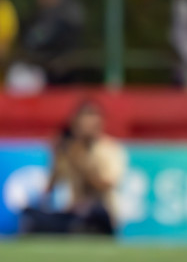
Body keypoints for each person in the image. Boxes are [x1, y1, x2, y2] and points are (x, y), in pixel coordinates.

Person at [20, 101, 126, 236]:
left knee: (94, 213)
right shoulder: (69, 149)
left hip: (101, 213)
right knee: (33, 215)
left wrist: (81, 161)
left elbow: (106, 184)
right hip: (75, 213)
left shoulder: (110, 149)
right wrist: (58, 153)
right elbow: (52, 184)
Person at [10, 0, 85, 90]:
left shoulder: (67, 21)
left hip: (60, 81)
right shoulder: (38, 19)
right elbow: (31, 42)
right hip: (41, 75)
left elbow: (36, 42)